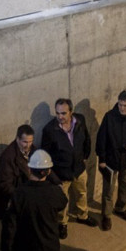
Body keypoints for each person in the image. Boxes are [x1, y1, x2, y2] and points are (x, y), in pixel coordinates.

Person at [40, 98, 98, 238]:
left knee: (82, 193)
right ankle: (62, 223)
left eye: (64, 113)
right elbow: (45, 155)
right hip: (61, 174)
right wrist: (53, 175)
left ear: (71, 112)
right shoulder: (49, 130)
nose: (60, 116)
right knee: (62, 201)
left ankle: (82, 216)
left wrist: (84, 157)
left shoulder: (80, 120)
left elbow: (87, 140)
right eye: (58, 113)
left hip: (79, 169)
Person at [95, 90, 126, 231]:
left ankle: (120, 208)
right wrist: (102, 159)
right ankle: (106, 216)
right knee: (108, 190)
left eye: (125, 105)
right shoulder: (109, 117)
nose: (122, 108)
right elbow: (101, 139)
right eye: (120, 104)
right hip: (110, 162)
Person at [0, 124, 37, 251]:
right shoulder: (8, 157)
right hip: (9, 204)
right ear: (17, 139)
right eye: (24, 142)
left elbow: (42, 167)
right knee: (9, 237)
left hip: (21, 201)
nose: (28, 145)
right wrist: (23, 196)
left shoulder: (31, 149)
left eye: (30, 141)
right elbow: (4, 185)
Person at [11, 150, 68, 251]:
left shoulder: (19, 193)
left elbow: (10, 224)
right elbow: (63, 203)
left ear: (29, 169)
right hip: (48, 245)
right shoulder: (54, 192)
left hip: (25, 245)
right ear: (48, 171)